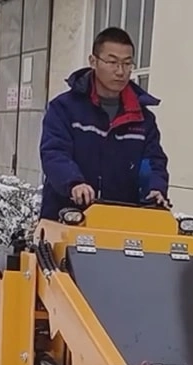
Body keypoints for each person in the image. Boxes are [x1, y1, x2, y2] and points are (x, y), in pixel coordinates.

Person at [38, 26, 170, 221]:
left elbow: (152, 163)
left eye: (127, 63)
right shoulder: (64, 108)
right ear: (93, 61)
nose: (120, 71)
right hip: (67, 219)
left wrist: (155, 188)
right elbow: (54, 153)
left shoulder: (143, 119)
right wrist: (74, 183)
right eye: (112, 62)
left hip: (120, 224)